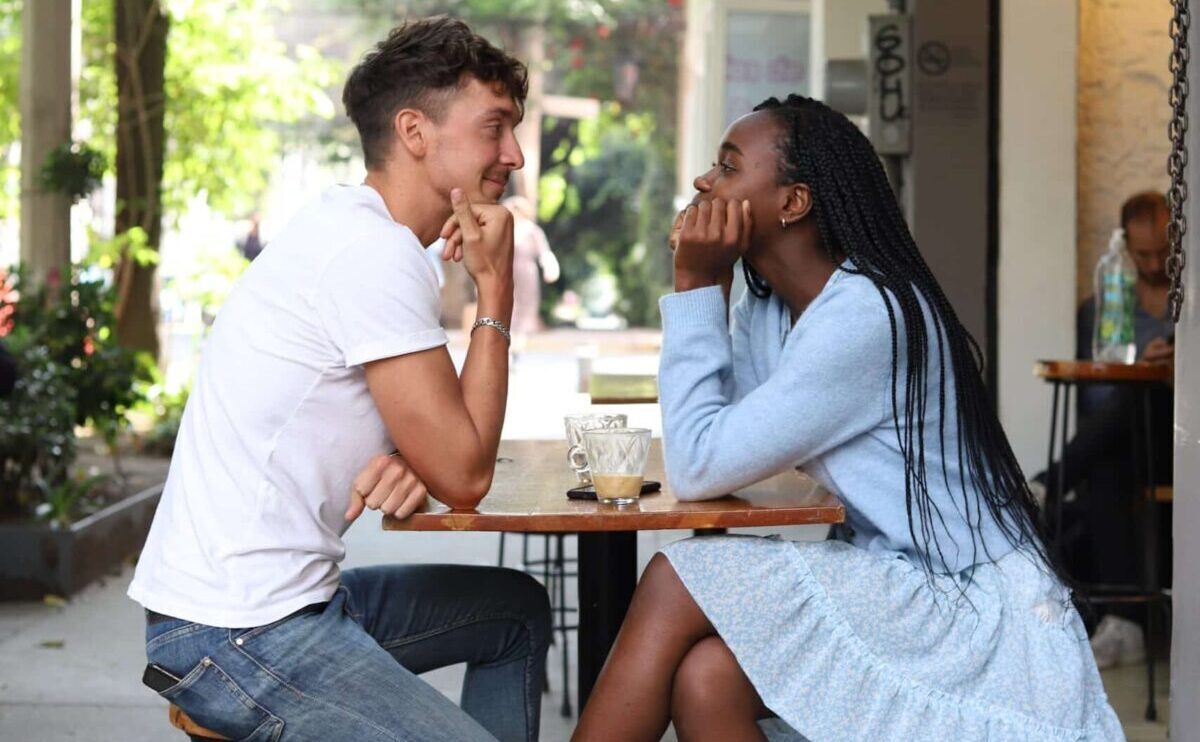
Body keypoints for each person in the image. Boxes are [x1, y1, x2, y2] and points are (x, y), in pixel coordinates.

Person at [571, 94, 1121, 741]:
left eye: (727, 167)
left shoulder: (867, 315)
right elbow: (723, 450)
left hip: (963, 601)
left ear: (793, 201)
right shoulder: (772, 310)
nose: (703, 182)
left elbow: (695, 466)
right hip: (898, 573)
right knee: (707, 678)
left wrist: (693, 286)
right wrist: (715, 289)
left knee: (675, 576)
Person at [129, 18, 550, 742]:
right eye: (495, 127)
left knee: (514, 611)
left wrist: (405, 454)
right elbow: (466, 471)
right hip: (236, 631)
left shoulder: (362, 236)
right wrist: (496, 291)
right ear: (415, 132)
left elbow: (442, 447)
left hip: (278, 606)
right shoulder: (371, 252)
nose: (512, 153)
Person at [1030, 191, 1175, 669]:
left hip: (1185, 439)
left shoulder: (1191, 298)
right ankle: (1125, 627)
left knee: (1147, 398)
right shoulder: (1105, 304)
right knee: (1111, 456)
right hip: (1130, 440)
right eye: (1144, 254)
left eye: (1164, 251)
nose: (1156, 263)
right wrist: (1140, 366)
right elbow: (1093, 401)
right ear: (1125, 247)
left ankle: (1048, 483)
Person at [502, 195, 560, 339]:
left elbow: (544, 251)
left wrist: (549, 267)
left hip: (526, 269)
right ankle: (508, 333)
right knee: (507, 301)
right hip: (506, 270)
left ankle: (521, 336)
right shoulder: (504, 228)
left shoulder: (531, 229)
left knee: (527, 301)